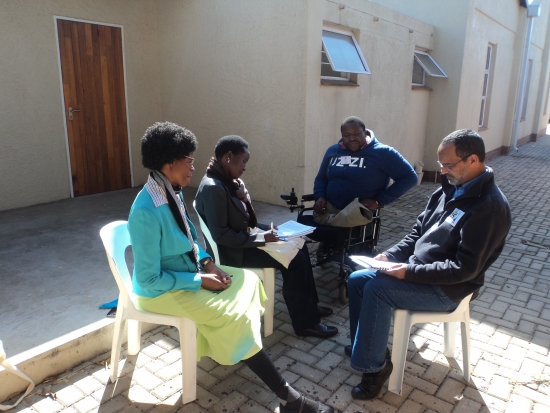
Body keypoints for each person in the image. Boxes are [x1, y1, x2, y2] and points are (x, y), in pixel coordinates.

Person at [128, 122, 333, 413]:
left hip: (189, 272)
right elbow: (149, 279)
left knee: (248, 281)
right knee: (233, 316)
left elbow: (189, 240)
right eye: (188, 161)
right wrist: (200, 280)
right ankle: (289, 398)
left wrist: (208, 262)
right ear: (170, 162)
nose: (192, 167)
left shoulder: (170, 190)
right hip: (162, 289)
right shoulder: (146, 210)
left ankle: (235, 345)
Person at [345, 129, 511, 400]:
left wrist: (408, 272)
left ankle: (374, 369)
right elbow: (416, 234)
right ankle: (364, 346)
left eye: (449, 165)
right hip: (419, 272)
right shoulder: (448, 190)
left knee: (377, 289)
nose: (443, 171)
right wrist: (390, 256)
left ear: (473, 160)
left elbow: (463, 269)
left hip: (449, 289)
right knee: (356, 280)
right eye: (441, 164)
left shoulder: (489, 207)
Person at [195, 135, 338, 339]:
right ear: (229, 156)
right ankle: (306, 323)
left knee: (300, 244)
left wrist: (246, 198)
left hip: (242, 239)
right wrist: (263, 238)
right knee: (296, 260)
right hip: (234, 253)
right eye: (243, 161)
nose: (244, 167)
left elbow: (244, 218)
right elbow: (222, 236)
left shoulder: (224, 180)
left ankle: (310, 306)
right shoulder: (213, 187)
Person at [313, 116, 417, 224]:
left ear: (365, 132)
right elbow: (321, 178)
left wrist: (379, 200)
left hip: (358, 213)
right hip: (329, 209)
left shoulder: (382, 152)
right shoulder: (333, 151)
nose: (352, 138)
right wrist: (320, 196)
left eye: (356, 133)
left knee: (330, 232)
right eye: (347, 135)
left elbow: (410, 177)